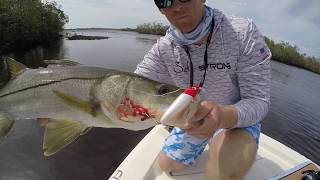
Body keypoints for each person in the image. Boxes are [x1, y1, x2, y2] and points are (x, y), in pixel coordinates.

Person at [134, 0, 271, 179]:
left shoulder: (243, 32)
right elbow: (132, 86)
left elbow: (258, 101)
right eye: (165, 0)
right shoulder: (163, 49)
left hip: (235, 118)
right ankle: (204, 139)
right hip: (192, 117)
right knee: (166, 165)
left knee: (225, 170)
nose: (177, 7)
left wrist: (222, 116)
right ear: (161, 8)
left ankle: (224, 141)